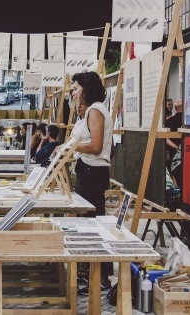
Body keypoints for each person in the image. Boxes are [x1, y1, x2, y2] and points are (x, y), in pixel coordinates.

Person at [69, 71, 114, 294]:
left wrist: (72, 147)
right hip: (91, 170)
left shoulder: (95, 110)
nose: (74, 93)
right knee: (92, 223)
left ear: (86, 88)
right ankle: (98, 277)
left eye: (76, 88)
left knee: (94, 225)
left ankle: (100, 278)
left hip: (93, 171)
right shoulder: (94, 110)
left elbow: (96, 146)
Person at [166, 99, 183, 184]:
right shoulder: (188, 122)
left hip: (173, 152)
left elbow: (166, 139)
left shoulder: (169, 121)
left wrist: (176, 147)